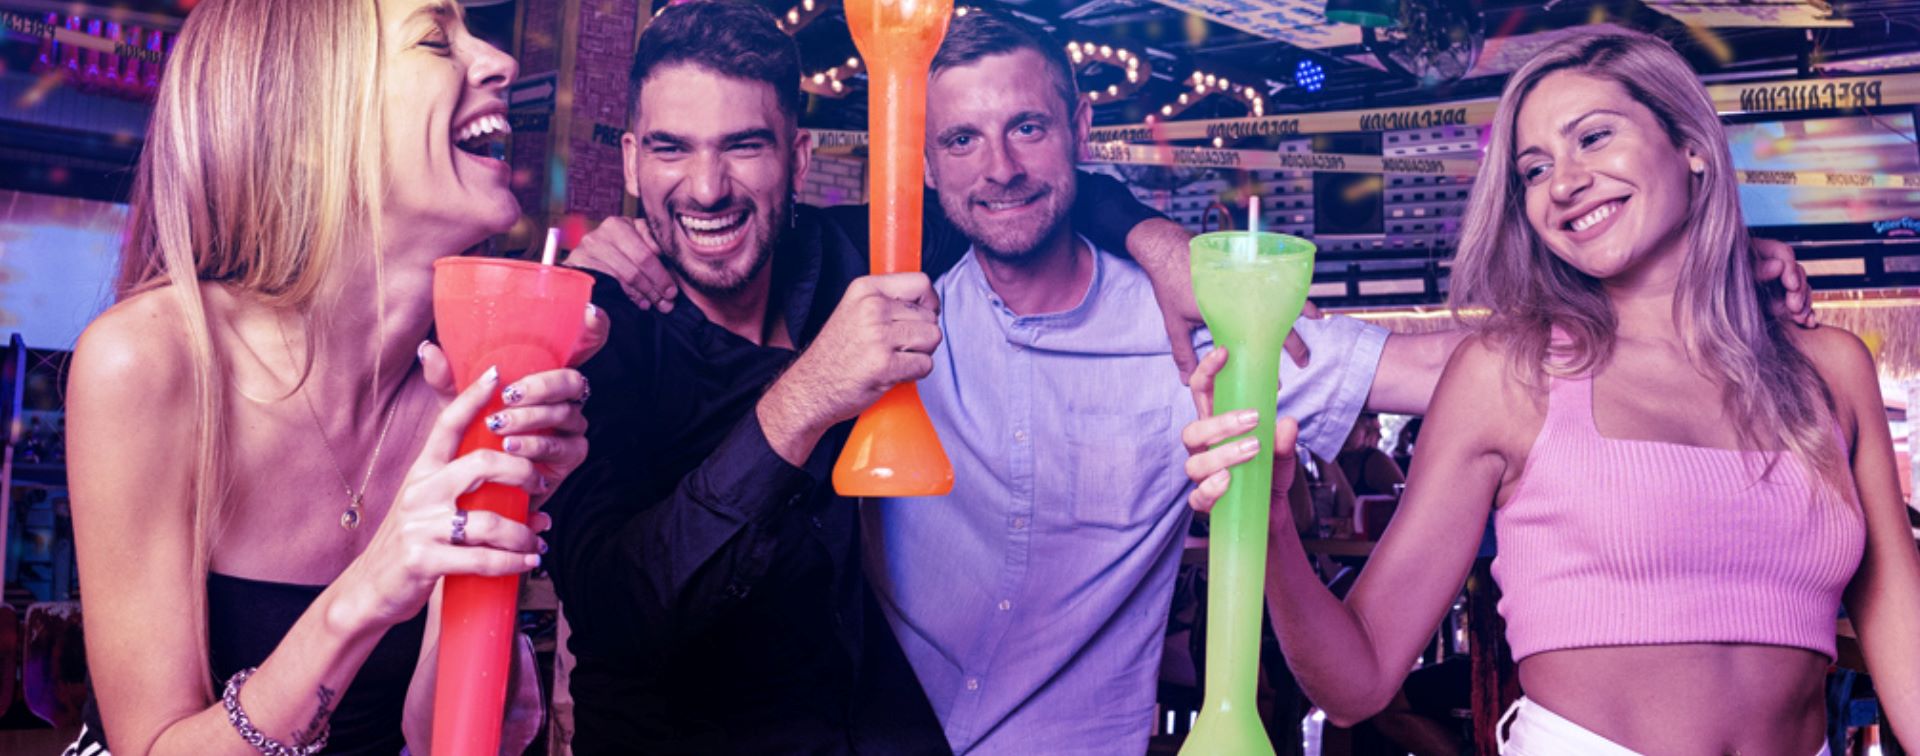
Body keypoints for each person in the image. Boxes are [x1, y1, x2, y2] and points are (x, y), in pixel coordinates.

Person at [1181, 29, 1920, 754]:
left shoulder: (1829, 369)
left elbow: (1903, 634)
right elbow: (1359, 679)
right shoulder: (1506, 376)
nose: (1563, 183)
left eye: (1593, 137)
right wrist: (1269, 526)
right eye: (1534, 170)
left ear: (1691, 143)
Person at [539, 2, 1175, 752]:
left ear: (799, 158)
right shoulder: (590, 331)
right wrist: (806, 398)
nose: (707, 188)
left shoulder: (856, 254)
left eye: (744, 146)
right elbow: (616, 615)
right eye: (672, 149)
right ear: (631, 162)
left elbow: (1012, 193)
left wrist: (1160, 244)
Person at [65, 1, 597, 754]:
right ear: (309, 126)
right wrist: (369, 591)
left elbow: (437, 737)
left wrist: (501, 499)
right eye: (436, 38)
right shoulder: (151, 362)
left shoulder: (459, 386)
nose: (501, 62)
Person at [1337, 413, 1406, 497]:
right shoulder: (1335, 458)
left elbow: (1404, 497)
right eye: (1375, 430)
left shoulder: (1378, 462)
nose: (1380, 436)